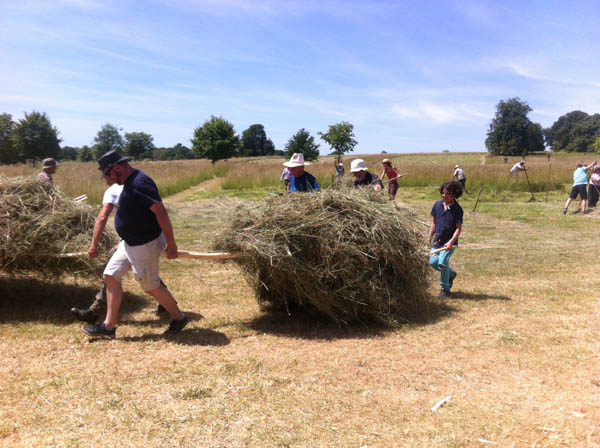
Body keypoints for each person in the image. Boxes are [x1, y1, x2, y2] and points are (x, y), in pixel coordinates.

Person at [82, 150, 188, 338]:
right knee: (110, 276)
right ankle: (108, 327)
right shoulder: (128, 183)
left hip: (144, 243)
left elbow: (161, 213)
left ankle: (178, 317)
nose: (107, 179)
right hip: (129, 242)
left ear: (117, 167)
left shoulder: (140, 182)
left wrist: (172, 245)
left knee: (150, 286)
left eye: (107, 174)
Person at [70, 176, 169, 323]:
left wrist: (94, 245)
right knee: (134, 270)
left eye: (105, 175)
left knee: (121, 272)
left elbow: (102, 218)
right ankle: (167, 304)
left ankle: (94, 314)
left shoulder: (113, 190)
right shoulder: (135, 185)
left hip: (139, 240)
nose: (105, 179)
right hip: (146, 237)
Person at [428, 181, 463, 299]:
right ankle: (451, 274)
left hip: (449, 243)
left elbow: (458, 229)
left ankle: (445, 290)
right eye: (443, 192)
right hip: (437, 241)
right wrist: (429, 237)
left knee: (443, 263)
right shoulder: (437, 205)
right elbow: (434, 222)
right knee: (433, 262)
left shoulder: (457, 209)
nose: (443, 195)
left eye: (447, 193)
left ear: (454, 195)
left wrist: (451, 242)